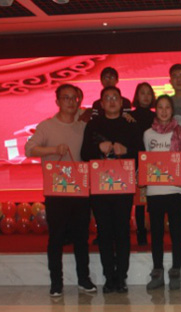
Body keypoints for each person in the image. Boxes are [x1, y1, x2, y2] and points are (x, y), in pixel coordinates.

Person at [25, 84, 95, 297]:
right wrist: (54, 150)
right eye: (66, 98)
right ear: (57, 101)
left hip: (80, 191)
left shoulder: (83, 125)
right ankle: (56, 283)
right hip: (56, 192)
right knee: (56, 238)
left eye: (74, 98)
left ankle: (84, 279)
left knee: (81, 237)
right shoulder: (46, 126)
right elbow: (29, 149)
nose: (70, 102)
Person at [81, 86, 142, 294]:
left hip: (123, 188)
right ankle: (109, 277)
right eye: (107, 98)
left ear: (122, 102)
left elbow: (140, 153)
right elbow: (84, 153)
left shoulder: (130, 124)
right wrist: (98, 148)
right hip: (100, 189)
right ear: (101, 103)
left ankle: (121, 276)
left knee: (122, 232)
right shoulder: (93, 125)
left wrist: (127, 151)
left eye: (115, 97)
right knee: (105, 233)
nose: (112, 101)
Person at [143, 95, 181, 290]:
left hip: (175, 190)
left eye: (167, 107)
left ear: (172, 110)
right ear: (156, 110)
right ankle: (158, 271)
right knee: (157, 234)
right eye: (160, 107)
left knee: (177, 234)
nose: (163, 111)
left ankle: (176, 270)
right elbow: (147, 160)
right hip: (155, 191)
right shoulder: (148, 134)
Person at [131, 82, 157, 246]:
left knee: (153, 198)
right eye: (142, 93)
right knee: (139, 200)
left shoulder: (157, 117)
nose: (146, 96)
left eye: (149, 93)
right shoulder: (129, 116)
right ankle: (141, 231)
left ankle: (155, 230)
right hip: (135, 161)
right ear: (137, 96)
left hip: (154, 161)